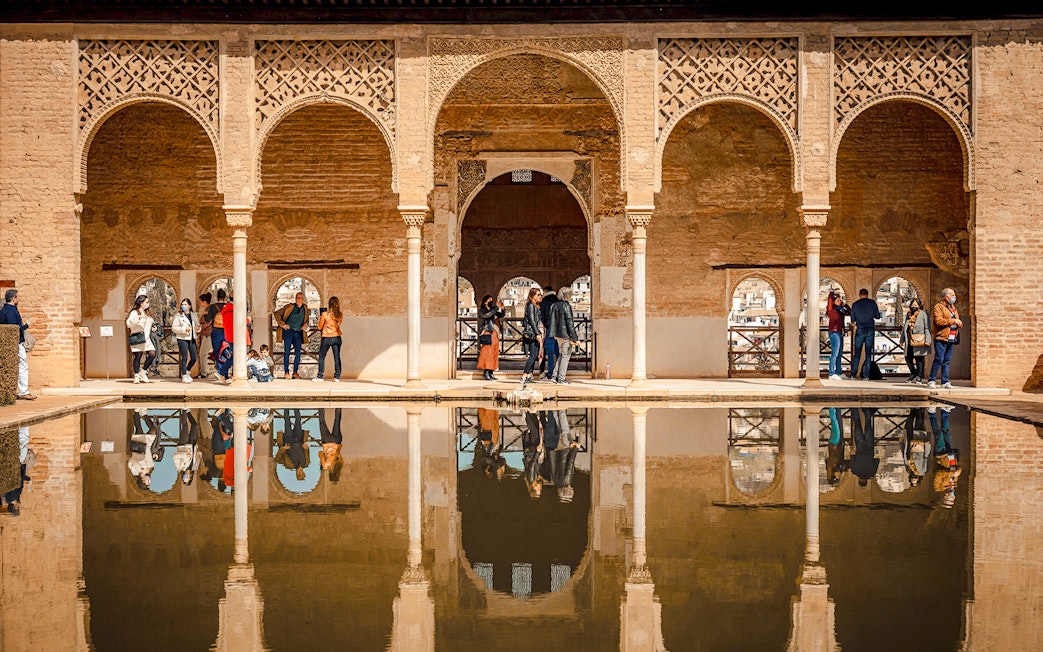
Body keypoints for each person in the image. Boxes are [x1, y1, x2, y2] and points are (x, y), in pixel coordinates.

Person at [0, 289, 35, 400]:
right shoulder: (10, 311)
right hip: (15, 343)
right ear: (14, 298)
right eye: (17, 297)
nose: (18, 299)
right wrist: (26, 326)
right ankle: (23, 391)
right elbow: (14, 329)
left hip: (12, 343)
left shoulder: (5, 310)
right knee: (23, 365)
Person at [928, 287, 963, 389]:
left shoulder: (953, 308)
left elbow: (956, 319)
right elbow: (938, 321)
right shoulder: (938, 307)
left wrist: (959, 323)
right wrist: (953, 321)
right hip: (941, 337)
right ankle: (932, 379)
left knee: (947, 360)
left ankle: (945, 381)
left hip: (951, 337)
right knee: (939, 358)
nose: (954, 297)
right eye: (952, 295)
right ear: (946, 297)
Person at [547, 286, 579, 384]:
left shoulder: (554, 305)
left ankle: (554, 376)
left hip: (557, 335)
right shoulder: (566, 306)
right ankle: (561, 378)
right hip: (566, 335)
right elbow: (570, 322)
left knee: (561, 355)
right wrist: (575, 338)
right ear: (567, 295)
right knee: (565, 357)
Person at [274, 292, 309, 379]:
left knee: (298, 353)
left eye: (299, 298)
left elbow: (306, 320)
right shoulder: (289, 307)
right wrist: (283, 324)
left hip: (298, 333)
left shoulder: (306, 309)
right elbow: (277, 313)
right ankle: (286, 372)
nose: (297, 300)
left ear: (303, 299)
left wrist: (305, 325)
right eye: (296, 298)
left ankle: (295, 372)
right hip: (288, 332)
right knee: (287, 353)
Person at [849, 288, 881, 379]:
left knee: (857, 353)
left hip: (860, 329)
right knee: (868, 354)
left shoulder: (855, 304)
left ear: (859, 295)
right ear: (867, 294)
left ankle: (853, 374)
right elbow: (878, 316)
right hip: (870, 329)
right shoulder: (872, 303)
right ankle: (866, 375)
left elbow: (852, 319)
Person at [126, 294, 158, 384]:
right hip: (138, 337)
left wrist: (154, 327)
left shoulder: (147, 313)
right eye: (146, 302)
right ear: (141, 303)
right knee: (138, 356)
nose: (148, 304)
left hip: (147, 338)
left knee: (152, 354)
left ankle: (143, 372)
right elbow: (129, 324)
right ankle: (136, 376)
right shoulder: (134, 312)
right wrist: (139, 317)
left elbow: (151, 322)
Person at [900, 297, 931, 384]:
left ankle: (919, 377)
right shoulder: (908, 315)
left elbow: (927, 327)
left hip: (919, 340)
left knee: (919, 359)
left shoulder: (924, 314)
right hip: (909, 339)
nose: (914, 306)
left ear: (919, 306)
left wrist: (928, 340)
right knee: (908, 358)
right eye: (912, 305)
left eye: (915, 305)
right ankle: (913, 373)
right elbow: (904, 328)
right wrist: (902, 340)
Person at [314, 296, 344, 383]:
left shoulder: (325, 314)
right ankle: (337, 377)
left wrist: (320, 319)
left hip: (327, 337)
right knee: (337, 357)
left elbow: (319, 327)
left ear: (329, 304)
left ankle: (320, 376)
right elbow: (338, 324)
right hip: (337, 337)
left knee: (322, 357)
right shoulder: (340, 315)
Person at [476, 294, 505, 381]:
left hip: (494, 333)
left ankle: (491, 371)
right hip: (487, 332)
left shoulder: (494, 310)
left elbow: (501, 315)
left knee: (494, 352)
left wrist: (503, 308)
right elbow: (487, 315)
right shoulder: (481, 311)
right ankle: (486, 371)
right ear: (485, 302)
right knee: (487, 353)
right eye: (490, 300)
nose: (491, 301)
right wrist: (496, 307)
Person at [171, 298, 200, 384]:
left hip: (192, 338)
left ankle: (187, 371)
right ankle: (184, 375)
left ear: (190, 306)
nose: (183, 306)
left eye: (185, 304)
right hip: (182, 338)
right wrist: (184, 329)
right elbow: (174, 328)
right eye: (182, 305)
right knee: (184, 357)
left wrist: (198, 328)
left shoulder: (194, 315)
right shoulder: (178, 316)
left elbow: (197, 325)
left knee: (194, 357)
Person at [276, 408, 309, 481]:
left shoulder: (289, 465)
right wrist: (305, 447)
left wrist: (284, 448)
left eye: (298, 474)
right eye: (301, 474)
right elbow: (307, 452)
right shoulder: (306, 463)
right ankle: (295, 405)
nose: (299, 473)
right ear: (304, 473)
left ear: (296, 473)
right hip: (299, 439)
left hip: (289, 441)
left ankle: (286, 406)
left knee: (287, 422)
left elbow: (277, 459)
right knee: (298, 420)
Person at [521, 287, 544, 385]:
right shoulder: (530, 306)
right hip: (532, 333)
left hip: (534, 332)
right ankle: (524, 375)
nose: (540, 296)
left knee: (534, 355)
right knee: (533, 355)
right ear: (532, 296)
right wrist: (537, 333)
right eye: (538, 295)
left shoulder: (536, 306)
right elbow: (532, 321)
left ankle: (529, 375)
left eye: (540, 295)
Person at [850, 407, 878, 487]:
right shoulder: (854, 471)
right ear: (859, 480)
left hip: (869, 446)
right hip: (859, 446)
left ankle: (866, 409)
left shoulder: (872, 472)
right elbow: (852, 457)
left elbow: (876, 460)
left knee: (868, 424)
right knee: (857, 424)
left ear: (866, 481)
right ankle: (854, 408)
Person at [825, 290, 850, 380]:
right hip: (834, 332)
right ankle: (831, 373)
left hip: (840, 331)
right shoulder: (831, 309)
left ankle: (838, 372)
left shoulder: (841, 310)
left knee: (839, 353)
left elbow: (849, 312)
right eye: (837, 300)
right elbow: (830, 301)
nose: (839, 301)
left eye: (840, 300)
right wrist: (831, 293)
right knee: (835, 353)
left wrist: (845, 305)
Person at [173, 410, 201, 486]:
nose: (185, 477)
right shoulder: (195, 467)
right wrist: (198, 455)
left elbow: (175, 456)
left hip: (183, 445)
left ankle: (184, 410)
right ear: (190, 477)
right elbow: (198, 456)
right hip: (192, 445)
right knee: (195, 425)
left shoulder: (180, 467)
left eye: (184, 479)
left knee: (185, 427)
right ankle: (188, 412)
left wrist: (185, 455)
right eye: (187, 478)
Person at [318, 408, 344, 482]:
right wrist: (323, 456)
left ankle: (338, 406)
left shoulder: (339, 464)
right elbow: (320, 453)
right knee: (322, 422)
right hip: (326, 442)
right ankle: (321, 405)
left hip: (336, 442)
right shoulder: (326, 465)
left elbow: (340, 455)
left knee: (337, 421)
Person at [539, 286, 559, 380]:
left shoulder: (544, 302)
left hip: (550, 329)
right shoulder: (558, 300)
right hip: (559, 330)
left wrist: (546, 325)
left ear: (545, 292)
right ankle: (559, 372)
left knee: (550, 353)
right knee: (558, 352)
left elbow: (543, 317)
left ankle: (550, 373)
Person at [205, 288, 228, 370]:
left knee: (217, 352)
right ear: (225, 297)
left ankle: (219, 371)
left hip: (216, 332)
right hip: (227, 332)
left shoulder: (212, 307)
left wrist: (204, 314)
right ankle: (225, 373)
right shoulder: (228, 306)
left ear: (217, 297)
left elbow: (207, 320)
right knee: (226, 351)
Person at [825, 407, 848, 485]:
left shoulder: (832, 467)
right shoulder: (835, 468)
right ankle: (837, 408)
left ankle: (831, 407)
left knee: (835, 423)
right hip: (837, 444)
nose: (838, 476)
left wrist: (838, 471)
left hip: (835, 444)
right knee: (838, 423)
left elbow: (834, 458)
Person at [196, 292, 212, 378]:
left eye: (201, 302)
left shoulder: (208, 311)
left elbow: (207, 323)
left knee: (203, 354)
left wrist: (199, 328)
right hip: (208, 334)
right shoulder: (208, 310)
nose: (200, 304)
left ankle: (204, 373)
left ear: (204, 302)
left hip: (208, 335)